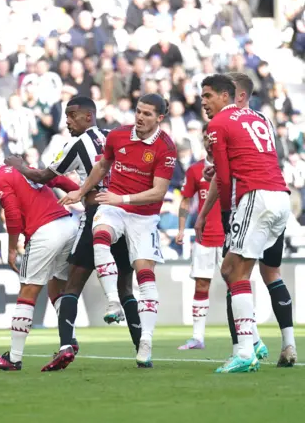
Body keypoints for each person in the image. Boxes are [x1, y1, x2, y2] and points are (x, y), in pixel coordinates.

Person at [4, 96, 141, 372]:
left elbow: (44, 176)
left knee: (71, 286)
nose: (66, 121)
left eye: (71, 115)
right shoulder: (113, 136)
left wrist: (19, 165)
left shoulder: (79, 144)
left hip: (97, 217)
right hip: (124, 217)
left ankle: (66, 345)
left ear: (88, 117)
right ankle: (143, 349)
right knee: (126, 287)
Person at [59, 94, 177, 368]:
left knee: (145, 278)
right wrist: (81, 191)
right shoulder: (118, 135)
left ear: (159, 118)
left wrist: (120, 199)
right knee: (100, 233)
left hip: (143, 217)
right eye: (138, 111)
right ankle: (112, 302)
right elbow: (102, 166)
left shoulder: (165, 147)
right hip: (113, 208)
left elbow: (158, 192)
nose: (140, 117)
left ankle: (145, 342)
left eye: (148, 114)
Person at [196, 74, 294, 373]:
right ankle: (254, 343)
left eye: (209, 96)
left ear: (227, 96)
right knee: (240, 270)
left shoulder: (218, 125)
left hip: (255, 196)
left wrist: (226, 215)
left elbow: (224, 177)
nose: (204, 102)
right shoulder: (261, 117)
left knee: (233, 270)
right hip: (280, 195)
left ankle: (244, 350)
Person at [0, 143, 79, 371]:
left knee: (28, 290)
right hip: (69, 225)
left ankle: (14, 358)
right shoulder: (21, 167)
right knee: (57, 287)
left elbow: (13, 214)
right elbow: (54, 178)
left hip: (46, 231)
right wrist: (82, 191)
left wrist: (10, 249)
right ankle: (69, 342)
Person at [175, 127, 225, 350]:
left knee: (237, 286)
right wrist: (181, 228)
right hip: (203, 237)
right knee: (201, 284)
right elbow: (185, 200)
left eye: (211, 137)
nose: (208, 141)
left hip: (229, 236)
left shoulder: (231, 167)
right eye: (205, 137)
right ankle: (198, 337)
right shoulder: (195, 170)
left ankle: (250, 338)